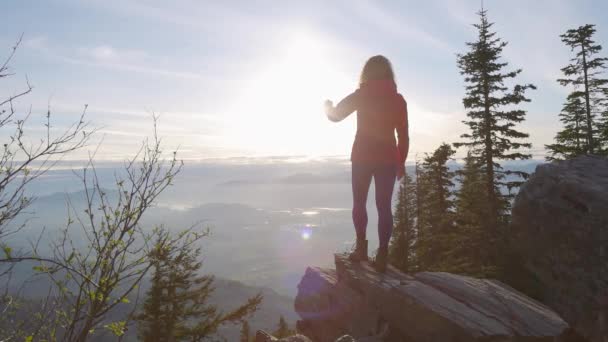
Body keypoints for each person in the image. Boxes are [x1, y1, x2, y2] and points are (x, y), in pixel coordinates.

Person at [324, 55, 409, 272]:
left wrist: (327, 105)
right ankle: (382, 255)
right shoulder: (398, 100)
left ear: (367, 73)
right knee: (384, 207)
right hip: (388, 158)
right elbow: (403, 137)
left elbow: (335, 116)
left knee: (359, 203)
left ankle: (361, 248)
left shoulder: (361, 95)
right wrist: (400, 163)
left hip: (362, 156)